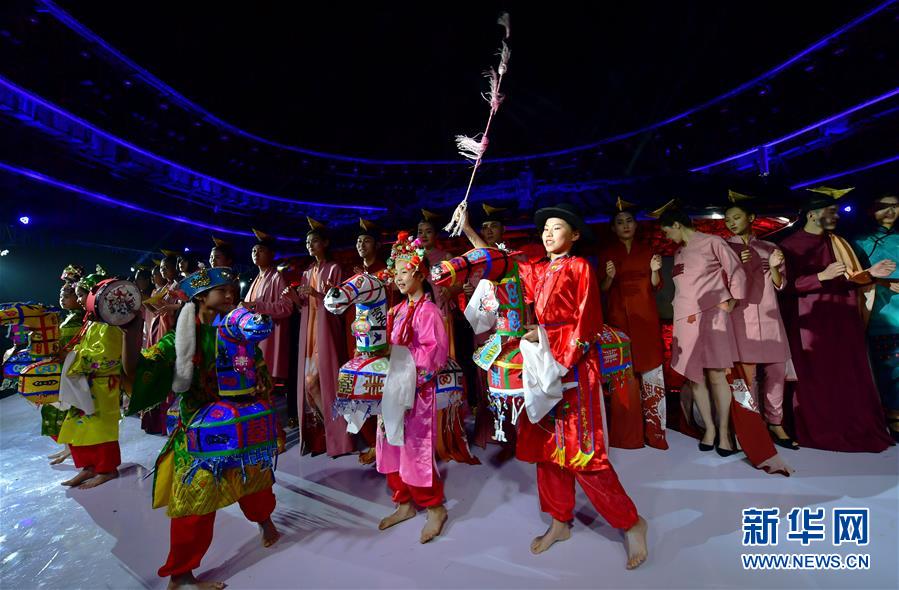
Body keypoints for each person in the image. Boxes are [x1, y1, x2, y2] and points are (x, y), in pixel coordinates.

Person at [123, 267, 280, 590]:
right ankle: (180, 575)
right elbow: (139, 372)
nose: (231, 294)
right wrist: (131, 331)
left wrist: (271, 426)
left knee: (256, 478)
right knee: (193, 499)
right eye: (222, 290)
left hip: (242, 421)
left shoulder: (239, 333)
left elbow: (261, 380)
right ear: (201, 298)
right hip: (200, 430)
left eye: (232, 288)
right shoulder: (180, 339)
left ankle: (265, 522)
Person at [517, 202, 648, 569]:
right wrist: (469, 231)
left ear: (574, 235)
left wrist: (556, 353)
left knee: (583, 454)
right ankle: (560, 521)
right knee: (547, 450)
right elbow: (506, 266)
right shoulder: (540, 270)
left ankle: (631, 523)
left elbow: (587, 323)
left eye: (556, 228)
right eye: (545, 228)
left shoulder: (580, 267)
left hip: (573, 367)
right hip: (544, 365)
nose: (548, 234)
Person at [779, 187, 894, 452]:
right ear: (812, 214)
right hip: (812, 323)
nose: (837, 217)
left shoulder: (840, 243)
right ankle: (821, 428)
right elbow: (784, 287)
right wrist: (821, 276)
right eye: (831, 212)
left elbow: (849, 279)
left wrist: (870, 273)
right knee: (818, 378)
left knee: (847, 376)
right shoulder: (789, 245)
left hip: (844, 320)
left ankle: (851, 425)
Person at [376, 233, 451, 544]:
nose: (399, 277)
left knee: (414, 449)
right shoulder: (396, 311)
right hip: (392, 388)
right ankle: (404, 502)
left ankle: (434, 507)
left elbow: (435, 354)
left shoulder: (428, 311)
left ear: (420, 274)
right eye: (396, 272)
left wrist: (399, 359)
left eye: (404, 271)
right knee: (390, 444)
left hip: (416, 391)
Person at [658, 205, 747, 455]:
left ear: (677, 225)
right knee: (694, 376)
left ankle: (724, 433)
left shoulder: (713, 242)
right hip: (684, 319)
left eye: (667, 231)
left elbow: (736, 271)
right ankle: (709, 429)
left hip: (712, 314)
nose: (666, 237)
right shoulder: (678, 252)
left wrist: (732, 301)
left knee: (717, 374)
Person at [723, 193, 796, 449]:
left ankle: (775, 422)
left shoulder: (770, 248)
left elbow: (781, 284)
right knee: (747, 376)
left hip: (769, 316)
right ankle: (751, 424)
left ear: (751, 217)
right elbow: (719, 286)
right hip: (740, 318)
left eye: (736, 217)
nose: (731, 223)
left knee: (776, 371)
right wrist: (735, 265)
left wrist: (774, 266)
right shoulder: (723, 249)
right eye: (727, 219)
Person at [597, 197, 668, 449]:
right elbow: (602, 289)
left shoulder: (648, 251)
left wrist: (655, 270)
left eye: (629, 221)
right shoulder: (607, 253)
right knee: (623, 378)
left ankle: (656, 435)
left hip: (646, 318)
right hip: (618, 321)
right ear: (613, 228)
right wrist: (609, 277)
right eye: (620, 222)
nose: (625, 225)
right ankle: (628, 436)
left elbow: (656, 286)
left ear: (636, 225)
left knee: (651, 374)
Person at [284, 218, 353, 457]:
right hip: (310, 331)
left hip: (326, 331)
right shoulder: (307, 272)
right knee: (309, 385)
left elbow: (339, 302)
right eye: (307, 243)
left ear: (325, 243)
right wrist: (294, 298)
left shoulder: (334, 269)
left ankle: (339, 434)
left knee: (318, 382)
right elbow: (304, 305)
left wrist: (316, 293)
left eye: (314, 241)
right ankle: (329, 432)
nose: (310, 246)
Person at [56, 267, 123, 489]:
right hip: (86, 384)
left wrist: (72, 358)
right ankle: (89, 466)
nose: (78, 299)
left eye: (82, 294)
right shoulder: (92, 322)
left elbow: (107, 357)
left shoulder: (109, 324)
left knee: (101, 428)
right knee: (78, 426)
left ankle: (107, 469)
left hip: (103, 384)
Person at [854, 193, 899, 441]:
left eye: (895, 206)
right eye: (883, 206)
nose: (890, 211)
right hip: (882, 313)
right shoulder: (860, 242)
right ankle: (893, 416)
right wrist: (881, 281)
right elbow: (853, 276)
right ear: (871, 210)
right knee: (889, 368)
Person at [45, 265, 86, 465]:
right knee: (55, 409)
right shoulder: (67, 317)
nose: (62, 299)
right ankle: (67, 446)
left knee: (68, 409)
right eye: (61, 295)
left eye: (67, 296)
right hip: (62, 366)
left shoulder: (82, 318)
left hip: (73, 368)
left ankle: (75, 448)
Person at [242, 230, 292, 387]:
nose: (256, 254)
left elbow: (286, 306)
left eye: (261, 250)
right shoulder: (257, 279)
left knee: (265, 381)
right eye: (254, 251)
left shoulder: (277, 277)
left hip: (267, 336)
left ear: (272, 254)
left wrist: (257, 305)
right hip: (253, 336)